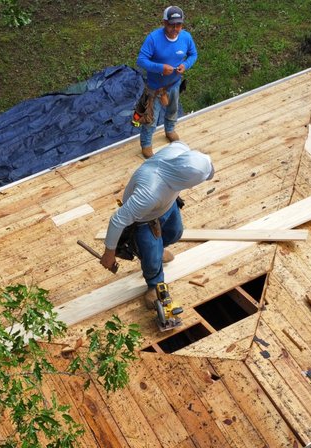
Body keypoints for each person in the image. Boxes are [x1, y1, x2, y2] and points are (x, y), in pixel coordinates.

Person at [101, 142, 214, 308]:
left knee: (175, 233)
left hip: (167, 204)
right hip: (145, 220)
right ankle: (154, 284)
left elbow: (202, 165)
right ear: (187, 182)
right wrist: (109, 254)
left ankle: (157, 250)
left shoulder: (179, 150)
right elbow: (118, 220)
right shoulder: (149, 193)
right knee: (152, 260)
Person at [136, 6, 198, 159]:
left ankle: (169, 130)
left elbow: (193, 54)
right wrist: (160, 68)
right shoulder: (153, 39)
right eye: (171, 25)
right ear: (164, 22)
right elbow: (141, 60)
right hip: (154, 88)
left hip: (174, 84)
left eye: (178, 25)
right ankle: (146, 144)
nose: (175, 29)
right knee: (150, 117)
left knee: (172, 109)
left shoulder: (186, 38)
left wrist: (186, 65)